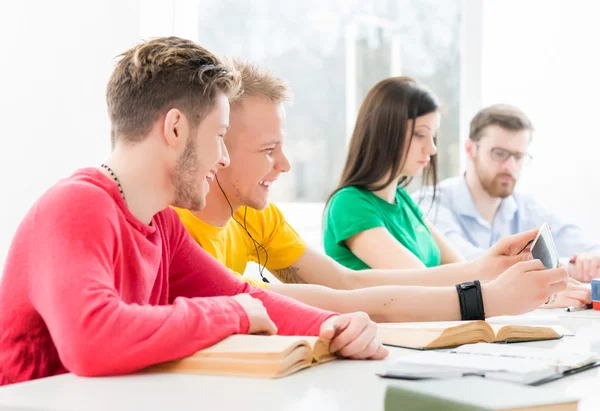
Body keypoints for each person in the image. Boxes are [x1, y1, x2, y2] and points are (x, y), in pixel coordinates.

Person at [0, 37, 387, 386]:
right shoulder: (75, 206)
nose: (222, 158)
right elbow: (92, 339)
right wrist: (231, 313)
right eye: (219, 137)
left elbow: (243, 295)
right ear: (175, 129)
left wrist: (333, 326)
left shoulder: (161, 222)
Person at [174, 60, 573, 323]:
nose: (285, 164)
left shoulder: (255, 215)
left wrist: (485, 270)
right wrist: (488, 297)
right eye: (267, 150)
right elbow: (338, 300)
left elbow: (344, 284)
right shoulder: (177, 234)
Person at [412, 104, 600, 282]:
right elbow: (470, 265)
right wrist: (569, 268)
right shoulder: (431, 203)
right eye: (499, 153)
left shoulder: (526, 208)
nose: (510, 166)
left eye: (518, 157)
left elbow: (585, 246)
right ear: (470, 149)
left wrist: (589, 260)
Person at [323, 76, 462, 271]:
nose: (432, 149)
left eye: (434, 136)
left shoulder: (402, 200)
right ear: (385, 134)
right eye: (420, 134)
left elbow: (461, 267)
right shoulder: (349, 204)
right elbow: (419, 282)